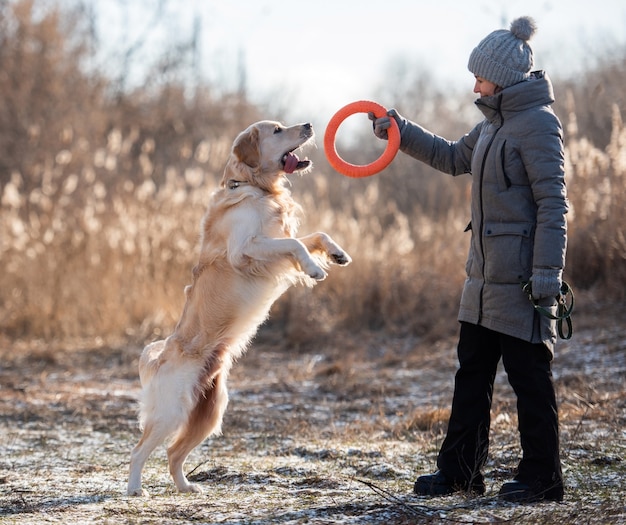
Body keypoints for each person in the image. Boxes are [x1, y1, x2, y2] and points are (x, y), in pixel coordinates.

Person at [370, 16, 567, 503]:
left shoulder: (538, 125)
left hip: (521, 281)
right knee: (471, 377)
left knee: (530, 382)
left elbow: (553, 204)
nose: (473, 83)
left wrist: (547, 275)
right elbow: (451, 156)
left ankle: (543, 477)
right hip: (481, 279)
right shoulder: (492, 125)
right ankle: (459, 472)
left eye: (479, 76)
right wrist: (400, 132)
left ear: (502, 77)